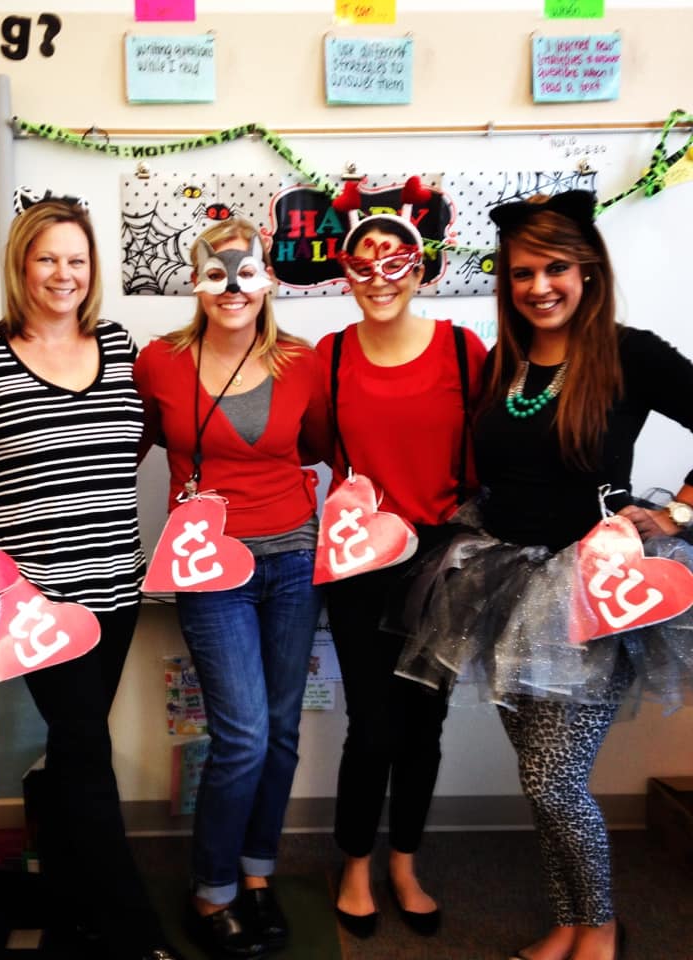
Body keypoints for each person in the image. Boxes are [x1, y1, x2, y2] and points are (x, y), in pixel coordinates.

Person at [397, 190, 693, 960]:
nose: (539, 286)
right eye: (523, 272)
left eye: (555, 267)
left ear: (588, 270)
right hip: (502, 584)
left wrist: (679, 513)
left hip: (592, 590)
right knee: (539, 777)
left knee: (555, 780)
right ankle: (568, 919)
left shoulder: (632, 355)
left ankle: (599, 925)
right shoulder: (504, 362)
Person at [0, 192, 181, 960]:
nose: (63, 273)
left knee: (76, 744)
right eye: (47, 257)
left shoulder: (119, 346)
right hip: (37, 596)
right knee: (85, 747)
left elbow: (139, 441)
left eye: (76, 259)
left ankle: (71, 906)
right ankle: (131, 931)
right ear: (22, 265)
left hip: (118, 581)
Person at [134, 218, 328, 958]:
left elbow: (315, 449)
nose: (233, 287)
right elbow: (128, 440)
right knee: (243, 734)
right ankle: (211, 890)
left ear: (269, 279)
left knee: (279, 731)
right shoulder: (160, 362)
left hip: (292, 562)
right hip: (209, 566)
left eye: (247, 273)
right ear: (195, 279)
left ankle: (256, 877)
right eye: (217, 273)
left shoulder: (302, 363)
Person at [314, 208, 486, 939]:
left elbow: (488, 454)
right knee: (373, 727)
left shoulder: (460, 350)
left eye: (396, 262)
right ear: (344, 271)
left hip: (444, 559)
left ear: (420, 269)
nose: (379, 277)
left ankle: (405, 862)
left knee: (424, 725)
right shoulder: (328, 356)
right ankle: (356, 862)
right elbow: (323, 448)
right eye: (363, 262)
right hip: (358, 560)